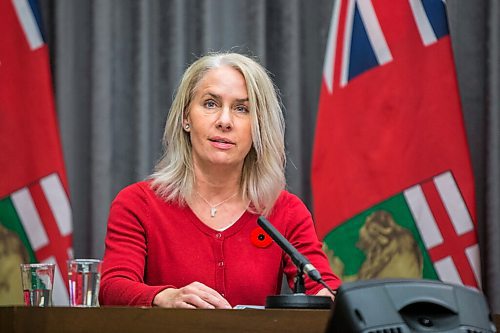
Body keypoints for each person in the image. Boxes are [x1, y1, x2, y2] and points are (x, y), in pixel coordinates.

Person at [99, 52, 341, 308]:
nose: (225, 121)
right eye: (210, 104)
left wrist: (328, 299)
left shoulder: (284, 210)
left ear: (258, 126)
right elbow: (112, 288)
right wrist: (165, 297)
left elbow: (324, 287)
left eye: (241, 109)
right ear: (185, 118)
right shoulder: (138, 204)